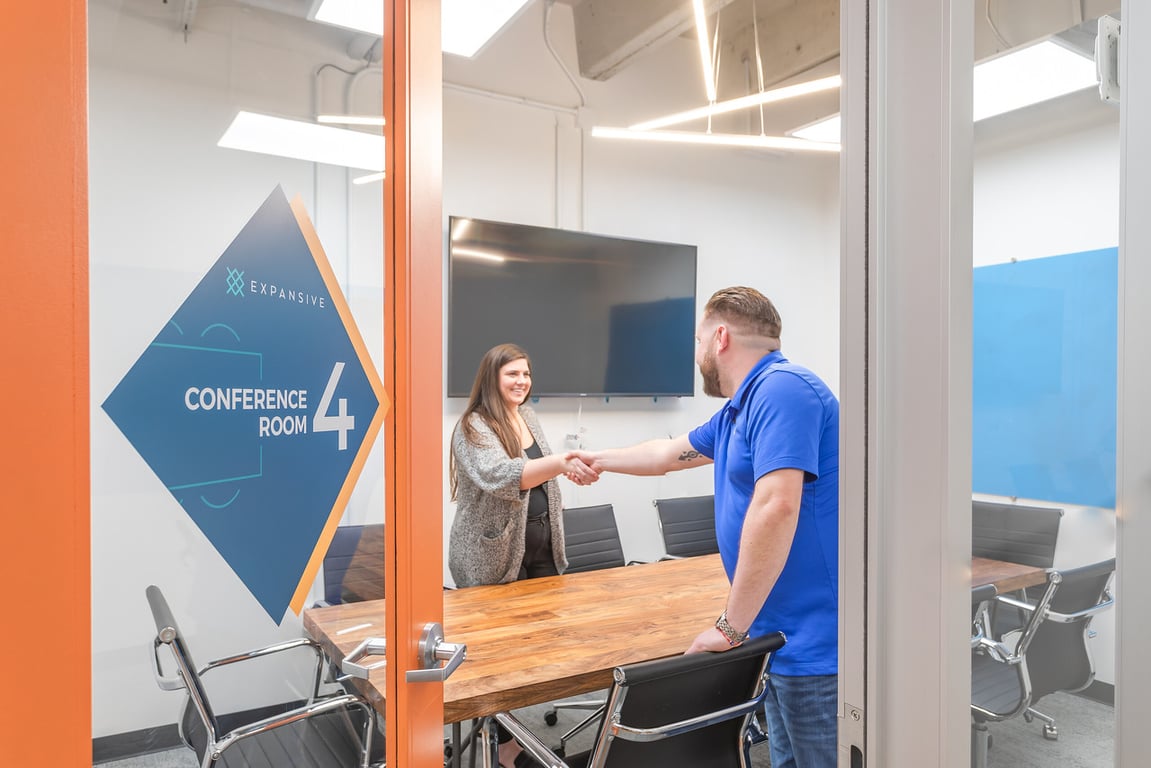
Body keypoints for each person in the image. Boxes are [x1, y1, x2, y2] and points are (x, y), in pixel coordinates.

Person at [574, 286, 839, 768]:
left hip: (814, 643)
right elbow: (666, 454)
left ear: (719, 337)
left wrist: (729, 627)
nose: (696, 354)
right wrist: (596, 460)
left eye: (698, 341)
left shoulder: (784, 389)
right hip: (774, 634)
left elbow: (777, 505)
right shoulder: (740, 408)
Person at [448, 342, 598, 768]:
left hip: (541, 548)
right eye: (513, 374)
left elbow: (545, 471)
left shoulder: (526, 415)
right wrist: (564, 462)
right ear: (492, 377)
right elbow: (503, 476)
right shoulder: (472, 426)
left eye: (527, 374)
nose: (522, 382)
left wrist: (565, 471)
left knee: (536, 649)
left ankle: (513, 739)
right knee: (497, 659)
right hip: (491, 556)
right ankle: (504, 748)